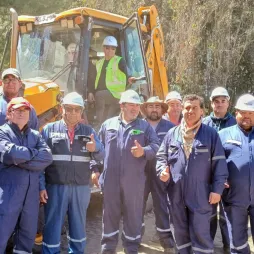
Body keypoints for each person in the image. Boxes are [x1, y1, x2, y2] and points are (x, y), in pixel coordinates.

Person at [157, 94, 228, 254]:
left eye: (195, 107)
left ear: (202, 110)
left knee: (201, 234)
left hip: (201, 194)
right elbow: (161, 156)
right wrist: (162, 169)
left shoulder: (210, 134)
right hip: (176, 193)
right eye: (187, 107)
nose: (190, 111)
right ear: (182, 109)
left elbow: (220, 163)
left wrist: (217, 190)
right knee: (180, 235)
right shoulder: (172, 134)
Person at [40, 92, 104, 254]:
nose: (73, 113)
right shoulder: (49, 130)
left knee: (78, 225)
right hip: (55, 186)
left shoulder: (88, 131)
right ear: (62, 109)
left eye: (77, 109)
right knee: (53, 225)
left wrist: (95, 148)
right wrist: (41, 186)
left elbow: (102, 155)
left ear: (82, 111)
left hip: (80, 187)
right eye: (69, 109)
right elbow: (41, 163)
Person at [99, 90, 160, 254]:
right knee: (109, 216)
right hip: (111, 181)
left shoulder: (144, 126)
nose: (135, 109)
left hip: (134, 182)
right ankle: (108, 248)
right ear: (122, 106)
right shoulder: (108, 125)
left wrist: (144, 151)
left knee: (133, 217)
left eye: (137, 105)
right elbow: (97, 150)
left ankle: (131, 248)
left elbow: (157, 147)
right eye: (131, 105)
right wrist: (94, 170)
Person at [0, 97, 53, 253]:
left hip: (31, 196)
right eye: (17, 110)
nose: (22, 113)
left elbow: (47, 158)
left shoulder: (35, 135)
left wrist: (20, 160)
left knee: (26, 237)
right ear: (9, 114)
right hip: (8, 193)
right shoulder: (3, 133)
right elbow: (11, 154)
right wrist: (34, 155)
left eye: (25, 110)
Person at [219, 94, 254, 253]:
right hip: (234, 198)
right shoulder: (223, 135)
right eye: (243, 112)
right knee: (237, 240)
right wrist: (219, 179)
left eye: (251, 113)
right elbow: (213, 163)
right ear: (236, 113)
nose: (246, 116)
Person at [140, 96, 175, 253]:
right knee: (137, 206)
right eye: (151, 106)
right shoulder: (138, 125)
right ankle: (135, 237)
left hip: (161, 171)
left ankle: (166, 242)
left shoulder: (170, 127)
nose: (154, 109)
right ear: (145, 109)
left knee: (161, 206)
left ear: (162, 109)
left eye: (157, 106)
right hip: (140, 172)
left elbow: (174, 150)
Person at [203, 87, 236, 251]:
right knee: (208, 213)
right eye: (216, 101)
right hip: (207, 178)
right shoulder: (204, 124)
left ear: (228, 103)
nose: (220, 104)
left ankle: (227, 246)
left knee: (226, 215)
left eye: (223, 101)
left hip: (229, 179)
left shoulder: (236, 123)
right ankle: (207, 245)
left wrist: (230, 177)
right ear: (211, 104)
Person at [88, 36, 135, 125]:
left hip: (116, 93)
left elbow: (127, 72)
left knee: (99, 95)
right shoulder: (99, 63)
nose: (110, 51)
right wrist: (90, 92)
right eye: (107, 48)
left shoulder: (119, 61)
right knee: (108, 115)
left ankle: (98, 123)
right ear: (103, 48)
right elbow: (93, 78)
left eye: (113, 49)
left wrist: (130, 77)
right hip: (106, 96)